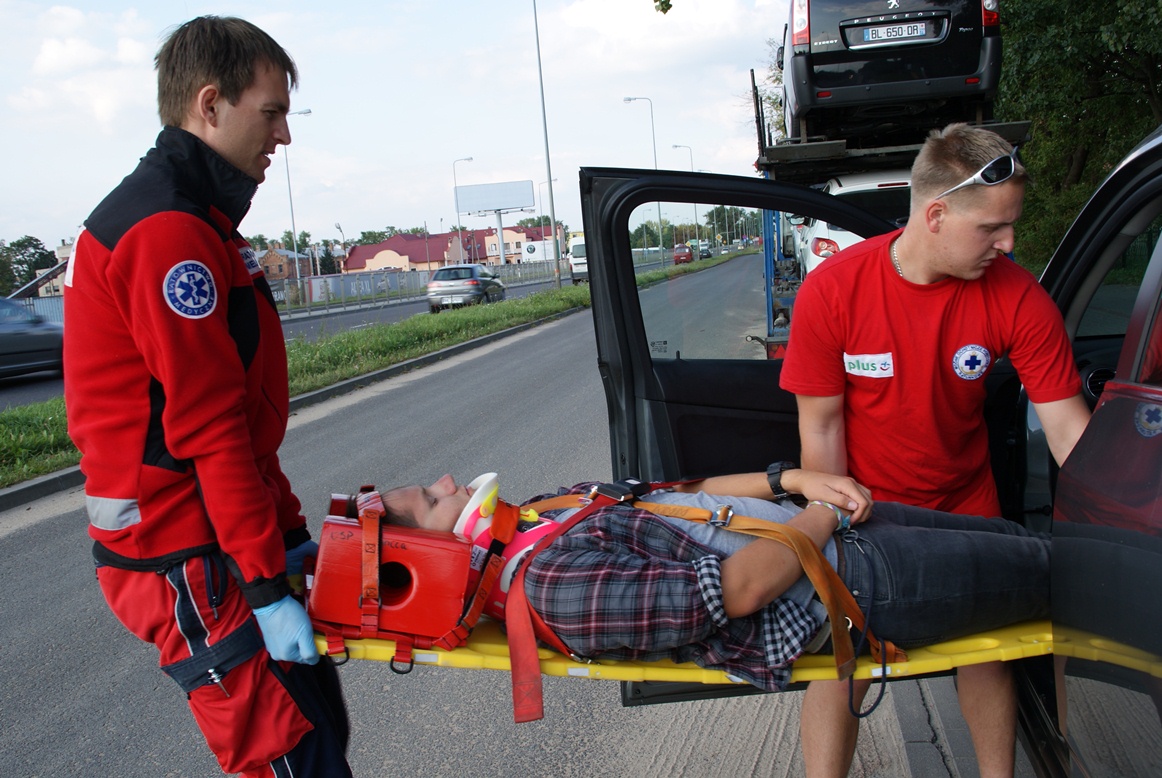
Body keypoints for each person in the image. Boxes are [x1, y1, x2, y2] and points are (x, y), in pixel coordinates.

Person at [63, 16, 352, 778]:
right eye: (272, 111)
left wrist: (286, 536)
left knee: (320, 728)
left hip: (220, 539)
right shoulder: (166, 234)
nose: (284, 136)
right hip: (182, 552)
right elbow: (209, 428)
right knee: (291, 754)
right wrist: (262, 583)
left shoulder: (201, 224)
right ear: (211, 103)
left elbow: (245, 424)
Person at [780, 123, 1093, 777]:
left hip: (964, 506)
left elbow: (1069, 433)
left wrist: (1124, 523)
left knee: (986, 653)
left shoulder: (1015, 293)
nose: (1009, 244)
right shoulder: (834, 291)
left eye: (1012, 227)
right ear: (937, 214)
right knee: (846, 662)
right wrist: (839, 542)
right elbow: (823, 436)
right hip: (869, 512)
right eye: (992, 229)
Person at [378, 470, 1048, 696]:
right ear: (432, 555)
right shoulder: (554, 591)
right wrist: (815, 515)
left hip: (828, 536)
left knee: (1033, 545)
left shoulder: (534, 518)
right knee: (1063, 576)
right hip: (854, 588)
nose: (448, 482)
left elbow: (675, 493)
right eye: (432, 499)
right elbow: (742, 590)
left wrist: (792, 482)